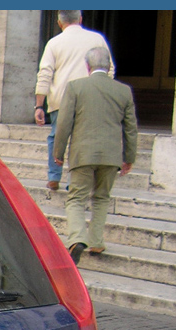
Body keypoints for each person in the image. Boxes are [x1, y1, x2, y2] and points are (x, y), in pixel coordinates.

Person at [53, 47, 137, 264]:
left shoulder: (76, 87)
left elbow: (64, 124)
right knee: (101, 198)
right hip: (110, 156)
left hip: (83, 154)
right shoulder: (124, 91)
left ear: (87, 66)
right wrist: (129, 157)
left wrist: (58, 152)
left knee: (76, 198)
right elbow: (130, 128)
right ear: (109, 66)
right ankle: (97, 241)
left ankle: (77, 238)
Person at [34, 11, 113, 191]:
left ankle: (54, 176)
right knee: (82, 141)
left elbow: (45, 74)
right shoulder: (97, 39)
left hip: (61, 99)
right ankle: (74, 180)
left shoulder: (54, 43)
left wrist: (39, 104)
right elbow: (110, 70)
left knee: (56, 136)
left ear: (59, 22)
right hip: (91, 99)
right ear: (81, 19)